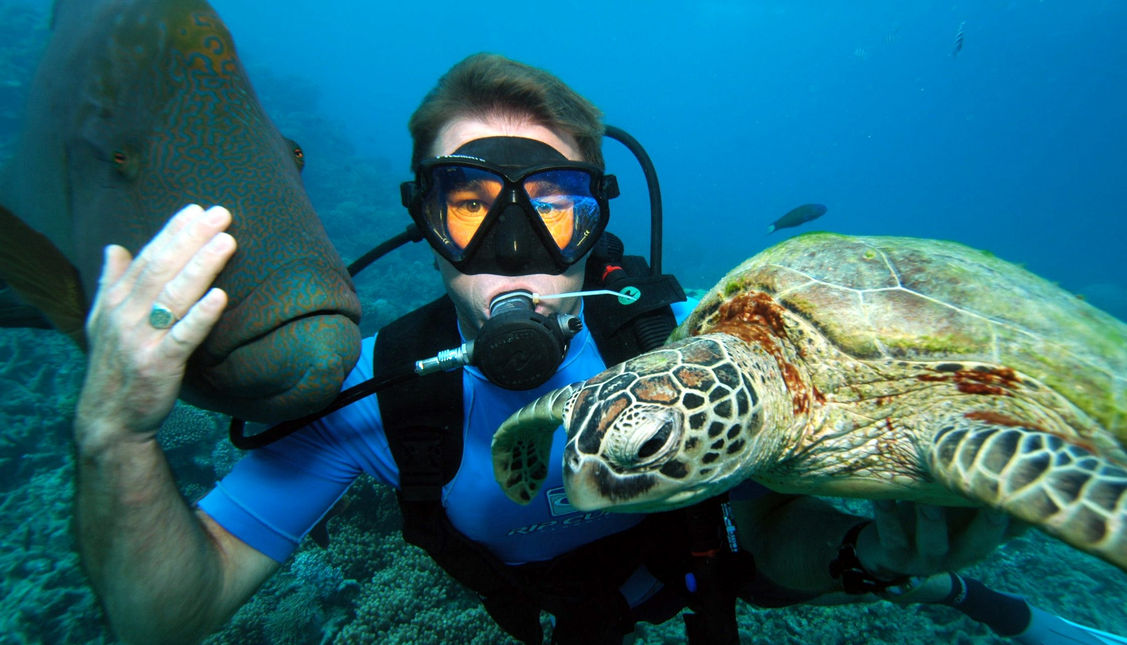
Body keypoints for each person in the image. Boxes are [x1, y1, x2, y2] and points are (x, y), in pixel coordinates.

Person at [72, 53, 1049, 644]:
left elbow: (781, 535)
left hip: (706, 573)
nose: (510, 254)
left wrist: (866, 544)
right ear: (419, 219)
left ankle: (948, 584)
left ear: (595, 225)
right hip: (547, 613)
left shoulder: (698, 345)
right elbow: (165, 619)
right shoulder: (370, 398)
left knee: (876, 562)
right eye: (467, 207)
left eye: (549, 209)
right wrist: (113, 433)